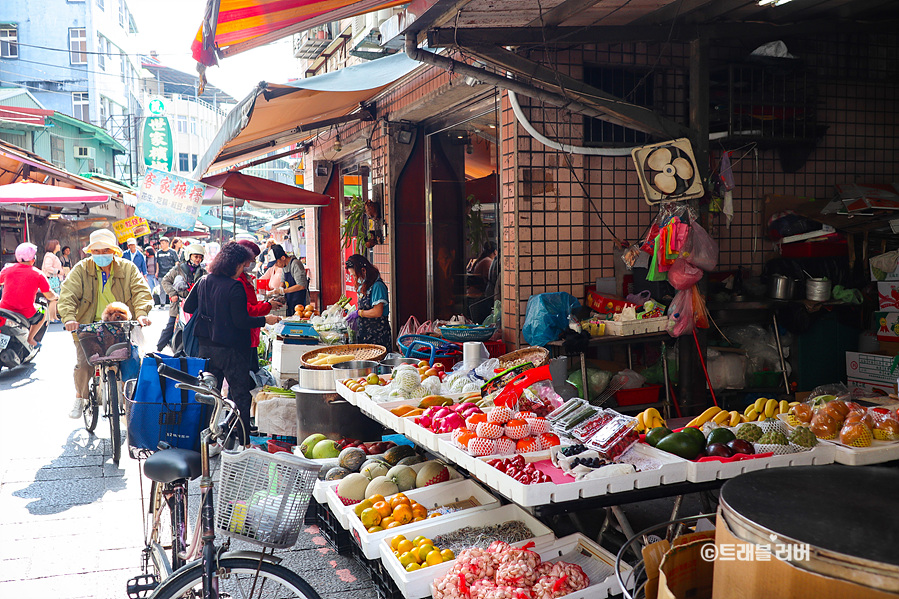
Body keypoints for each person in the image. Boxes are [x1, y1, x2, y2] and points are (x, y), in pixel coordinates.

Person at [182, 242, 280, 445]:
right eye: (242, 265)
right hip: (233, 351)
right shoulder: (235, 286)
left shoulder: (203, 281)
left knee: (209, 395)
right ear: (233, 265)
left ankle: (203, 439)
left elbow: (190, 306)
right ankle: (242, 441)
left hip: (206, 349)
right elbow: (241, 321)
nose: (244, 269)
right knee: (239, 398)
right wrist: (265, 320)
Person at [58, 229, 153, 419]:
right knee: (85, 364)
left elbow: (141, 292)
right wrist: (69, 318)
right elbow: (67, 295)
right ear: (90, 252)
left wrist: (142, 314)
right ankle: (80, 397)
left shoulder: (128, 268)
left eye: (105, 251)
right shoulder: (81, 269)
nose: (101, 255)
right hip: (88, 326)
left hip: (122, 327)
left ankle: (131, 401)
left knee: (132, 360)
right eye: (97, 251)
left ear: (114, 251)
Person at [236, 240, 284, 372]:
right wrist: (267, 310)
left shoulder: (245, 278)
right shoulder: (237, 281)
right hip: (244, 336)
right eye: (252, 259)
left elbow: (251, 304)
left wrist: (267, 305)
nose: (252, 263)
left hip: (251, 334)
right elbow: (247, 310)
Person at [0, 242, 57, 347]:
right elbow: (49, 295)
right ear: (33, 259)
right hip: (26, 312)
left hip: (5, 309)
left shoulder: (7, 269)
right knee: (43, 311)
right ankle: (30, 339)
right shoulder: (38, 274)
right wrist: (56, 296)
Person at [157, 244, 207, 353]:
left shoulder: (203, 272)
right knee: (170, 326)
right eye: (196, 257)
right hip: (178, 304)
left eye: (200, 257)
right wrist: (172, 293)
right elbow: (165, 281)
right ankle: (158, 349)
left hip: (195, 306)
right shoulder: (178, 269)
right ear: (189, 256)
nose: (198, 259)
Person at [344, 254, 391, 348]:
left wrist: (359, 313)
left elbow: (377, 312)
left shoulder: (377, 286)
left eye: (354, 275)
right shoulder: (364, 286)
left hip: (377, 337)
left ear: (363, 271)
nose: (354, 278)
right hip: (364, 335)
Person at [271, 245, 308, 317]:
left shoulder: (296, 264)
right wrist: (279, 292)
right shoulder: (284, 266)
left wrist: (283, 291)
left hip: (300, 302)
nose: (276, 266)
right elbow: (282, 282)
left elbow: (301, 285)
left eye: (277, 263)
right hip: (290, 301)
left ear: (283, 258)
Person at [41, 239, 64, 323]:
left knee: (55, 299)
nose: (59, 246)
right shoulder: (50, 256)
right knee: (53, 298)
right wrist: (58, 271)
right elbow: (48, 267)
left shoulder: (52, 255)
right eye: (58, 244)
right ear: (53, 246)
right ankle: (51, 318)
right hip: (51, 279)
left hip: (54, 279)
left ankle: (54, 317)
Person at [155, 237, 179, 307]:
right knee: (162, 289)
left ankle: (173, 301)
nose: (161, 245)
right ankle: (162, 303)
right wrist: (157, 272)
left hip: (171, 273)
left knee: (172, 288)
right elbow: (157, 263)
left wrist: (175, 271)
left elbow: (176, 262)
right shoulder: (159, 253)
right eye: (161, 243)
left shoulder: (172, 252)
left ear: (167, 243)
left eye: (163, 243)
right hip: (161, 273)